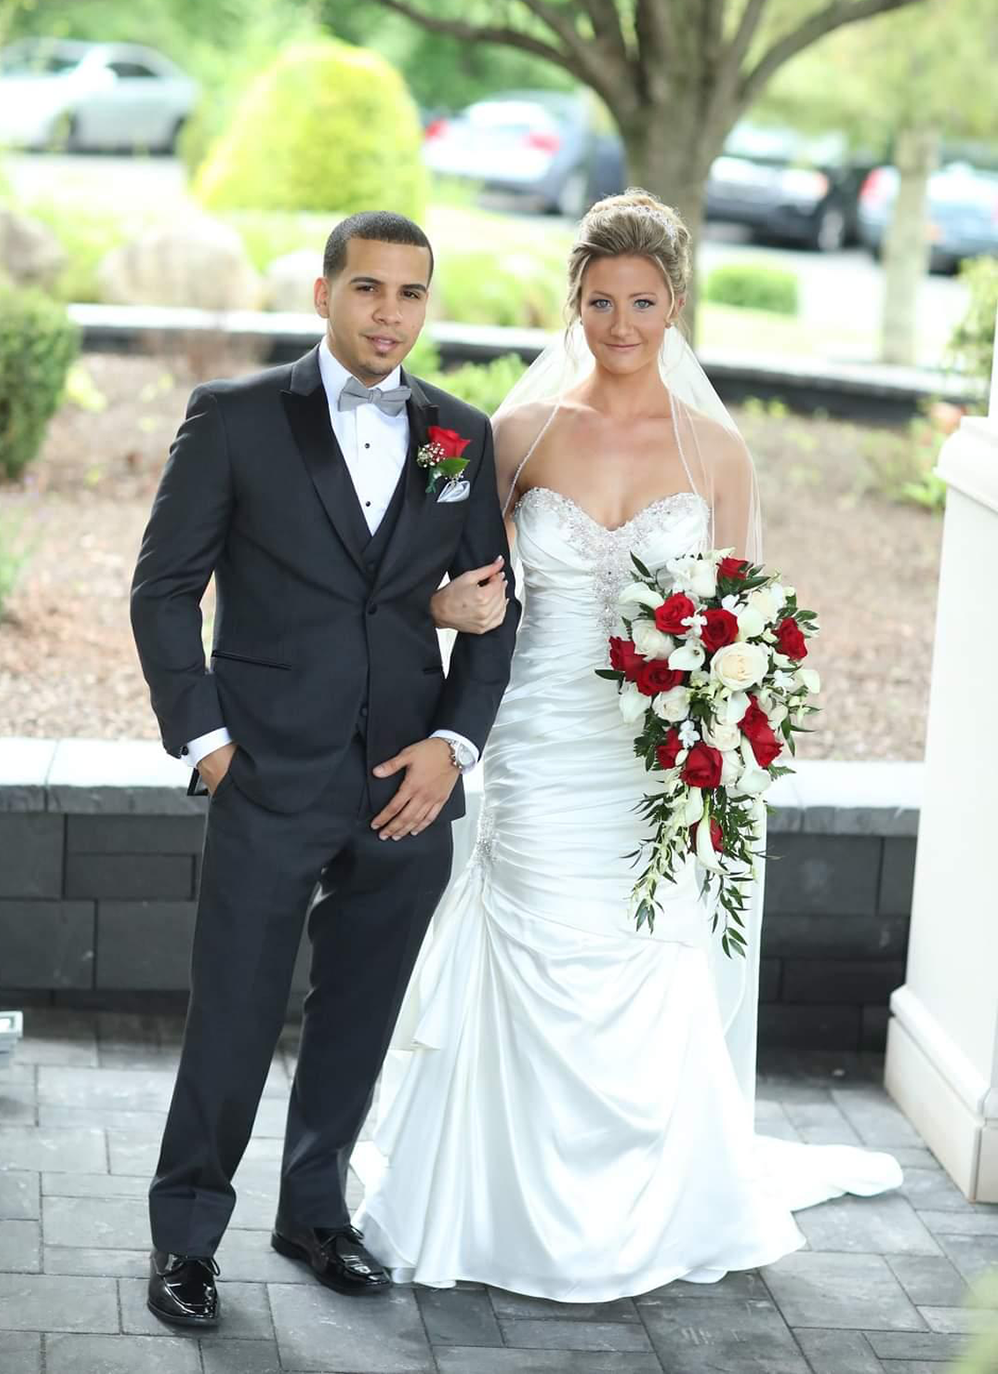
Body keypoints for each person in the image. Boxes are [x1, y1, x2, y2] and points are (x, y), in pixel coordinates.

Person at [353, 190, 901, 1300]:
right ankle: (494, 1207)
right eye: (598, 301)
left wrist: (713, 722)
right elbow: (450, 580)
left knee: (647, 955)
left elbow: (740, 617)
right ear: (574, 303)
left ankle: (648, 1207)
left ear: (674, 305)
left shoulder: (716, 452)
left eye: (641, 303)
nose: (618, 325)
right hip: (538, 736)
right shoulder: (516, 435)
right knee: (531, 935)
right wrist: (439, 612)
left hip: (651, 758)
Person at [129, 210, 519, 1328]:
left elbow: (492, 613)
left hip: (405, 783)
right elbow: (164, 588)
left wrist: (454, 748)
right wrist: (207, 747)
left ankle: (313, 1213)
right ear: (323, 295)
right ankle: (186, 1240)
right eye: (367, 290)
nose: (389, 313)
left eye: (410, 293)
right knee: (235, 1013)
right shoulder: (237, 417)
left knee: (359, 1013)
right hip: (266, 776)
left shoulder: (456, 434)